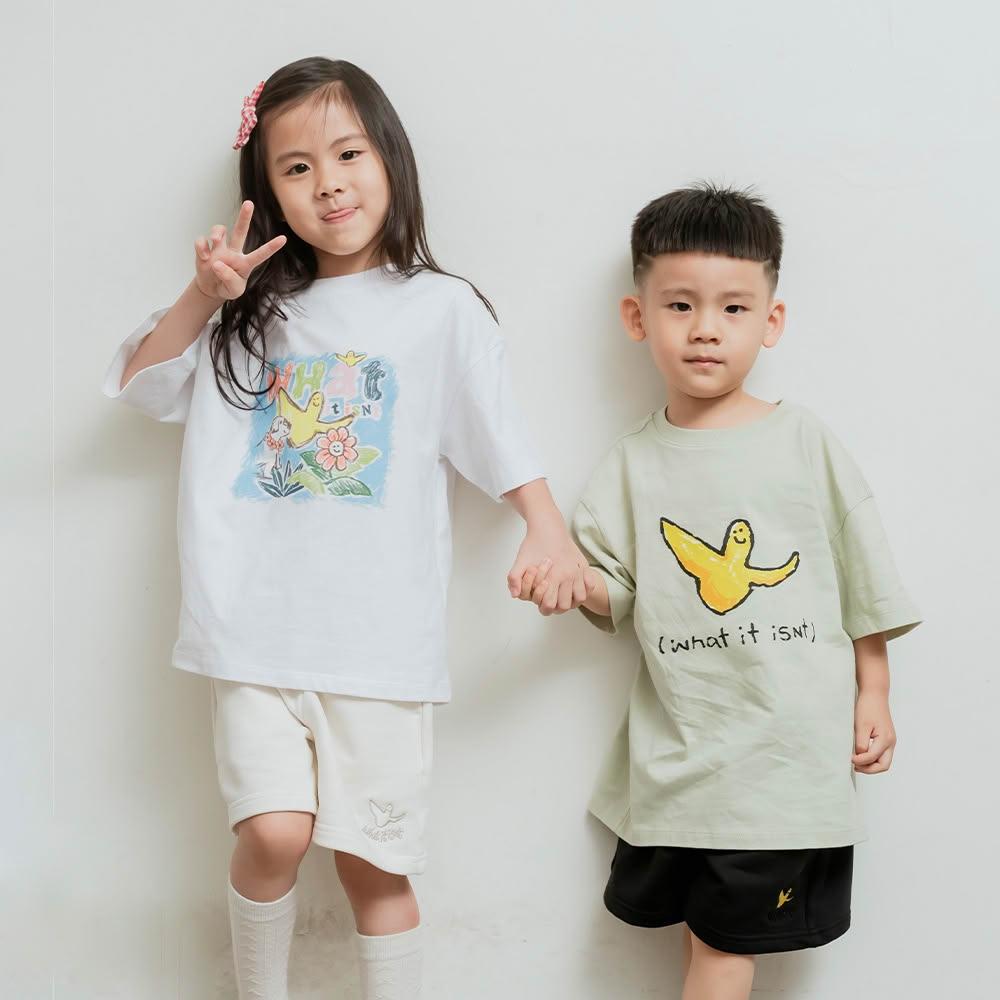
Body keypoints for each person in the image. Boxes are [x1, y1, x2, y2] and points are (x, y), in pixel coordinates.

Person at [102, 56, 586, 1000]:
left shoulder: (441, 308)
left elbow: (498, 433)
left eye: (349, 154)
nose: (328, 183)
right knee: (273, 831)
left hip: (378, 643)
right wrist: (205, 295)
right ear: (266, 192)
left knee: (374, 864)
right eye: (296, 167)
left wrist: (547, 529)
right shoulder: (247, 313)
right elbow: (139, 387)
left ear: (391, 159)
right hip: (250, 633)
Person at [524, 183, 921, 1000]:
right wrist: (570, 581)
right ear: (637, 316)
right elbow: (612, 588)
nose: (706, 328)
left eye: (733, 308)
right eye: (680, 305)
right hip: (677, 763)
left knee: (721, 949)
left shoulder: (803, 442)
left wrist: (875, 691)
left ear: (770, 321)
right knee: (705, 936)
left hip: (781, 764)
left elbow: (863, 575)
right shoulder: (631, 464)